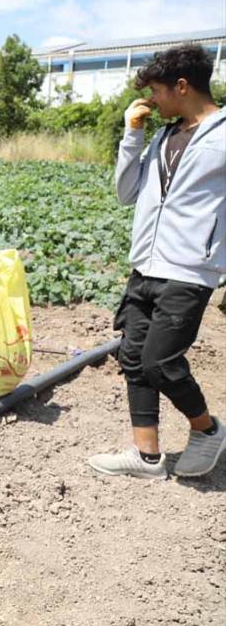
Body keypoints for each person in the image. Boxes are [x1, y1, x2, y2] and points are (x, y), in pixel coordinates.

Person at [88, 44, 225, 480]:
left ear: (182, 86)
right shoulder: (163, 136)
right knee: (133, 356)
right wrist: (132, 136)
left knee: (160, 362)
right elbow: (127, 193)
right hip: (144, 267)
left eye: (156, 91)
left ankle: (208, 429)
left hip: (189, 271)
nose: (151, 100)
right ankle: (147, 457)